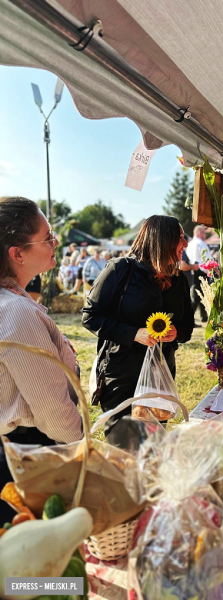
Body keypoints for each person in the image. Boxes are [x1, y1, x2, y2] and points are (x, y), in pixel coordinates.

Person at [0, 197, 83, 523]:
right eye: (47, 237)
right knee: (41, 567)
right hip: (31, 456)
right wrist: (80, 446)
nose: (56, 242)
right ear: (17, 253)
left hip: (21, 452)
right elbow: (51, 408)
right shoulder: (15, 311)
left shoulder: (14, 302)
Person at [82, 215, 194, 423]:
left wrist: (177, 332)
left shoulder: (179, 280)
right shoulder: (119, 270)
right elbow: (90, 316)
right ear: (162, 240)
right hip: (122, 378)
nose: (185, 243)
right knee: (124, 449)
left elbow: (187, 325)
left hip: (161, 378)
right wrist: (133, 334)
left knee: (153, 447)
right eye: (180, 237)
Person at [186, 225, 212, 324]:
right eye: (204, 233)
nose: (205, 235)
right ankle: (190, 317)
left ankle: (203, 316)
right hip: (201, 270)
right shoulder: (201, 244)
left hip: (192, 270)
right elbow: (207, 260)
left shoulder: (190, 244)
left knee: (199, 294)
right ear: (199, 233)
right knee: (199, 295)